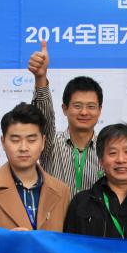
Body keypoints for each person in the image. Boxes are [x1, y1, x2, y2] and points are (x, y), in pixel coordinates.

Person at [0, 103, 71, 231]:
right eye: (15, 140)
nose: (23, 148)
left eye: (31, 140)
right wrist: (5, 240)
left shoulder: (61, 191)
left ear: (43, 142)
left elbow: (66, 241)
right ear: (3, 142)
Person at [28, 41, 104, 195]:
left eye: (91, 106)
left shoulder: (107, 150)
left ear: (99, 110)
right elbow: (44, 118)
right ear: (65, 109)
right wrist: (41, 78)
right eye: (77, 106)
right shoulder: (50, 144)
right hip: (55, 212)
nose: (84, 112)